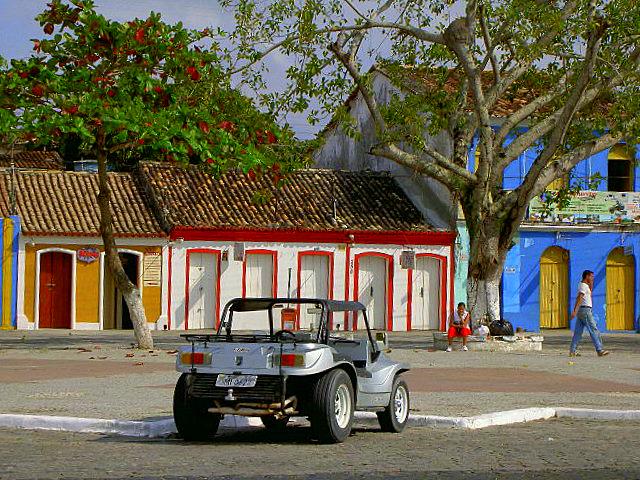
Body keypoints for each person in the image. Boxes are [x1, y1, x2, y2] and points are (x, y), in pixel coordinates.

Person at [569, 270, 610, 357]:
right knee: (593, 329)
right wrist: (575, 311)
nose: (592, 278)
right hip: (585, 310)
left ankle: (572, 351)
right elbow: (579, 298)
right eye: (591, 276)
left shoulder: (584, 285)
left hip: (582, 310)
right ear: (586, 276)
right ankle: (599, 349)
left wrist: (591, 282)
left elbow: (590, 290)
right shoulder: (583, 286)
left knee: (578, 332)